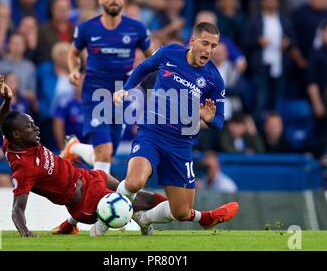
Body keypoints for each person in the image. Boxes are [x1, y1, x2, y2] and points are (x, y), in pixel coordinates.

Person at [101, 22, 239, 237]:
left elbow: (220, 121)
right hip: (151, 133)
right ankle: (102, 222)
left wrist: (210, 119)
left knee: (182, 211)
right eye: (205, 43)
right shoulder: (169, 53)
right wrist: (125, 90)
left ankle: (144, 219)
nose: (209, 50)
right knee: (134, 182)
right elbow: (144, 68)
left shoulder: (214, 79)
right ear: (192, 41)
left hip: (181, 143)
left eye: (214, 46)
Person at [0, 74, 167, 237]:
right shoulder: (24, 168)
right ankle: (184, 214)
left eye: (33, 124)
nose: (36, 128)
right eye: (29, 127)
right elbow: (17, 208)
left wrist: (8, 100)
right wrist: (25, 231)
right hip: (84, 200)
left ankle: (160, 214)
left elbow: (2, 122)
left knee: (135, 192)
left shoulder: (11, 140)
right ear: (17, 135)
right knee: (142, 202)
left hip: (86, 175)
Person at [64, 0, 155, 175]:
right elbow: (73, 53)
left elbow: (153, 60)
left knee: (107, 153)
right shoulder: (87, 28)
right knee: (104, 153)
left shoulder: (136, 28)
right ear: (100, 0)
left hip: (122, 93)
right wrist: (73, 70)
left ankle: (74, 148)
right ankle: (100, 202)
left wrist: (140, 71)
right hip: (95, 93)